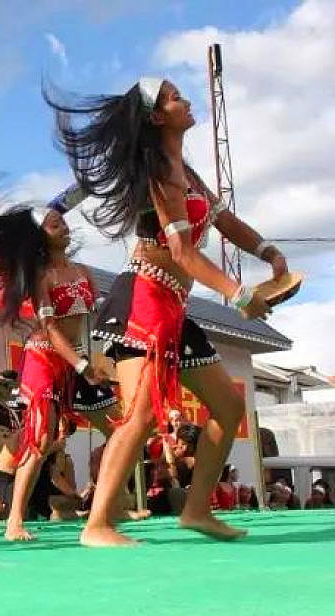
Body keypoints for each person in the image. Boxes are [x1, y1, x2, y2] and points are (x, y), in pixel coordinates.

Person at [46, 76, 286, 546]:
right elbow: (181, 252)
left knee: (228, 406)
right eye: (175, 97)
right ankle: (97, 524)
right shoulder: (157, 172)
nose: (186, 100)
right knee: (141, 417)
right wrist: (239, 295)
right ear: (157, 116)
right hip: (143, 297)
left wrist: (268, 251)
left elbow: (224, 220)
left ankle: (196, 511)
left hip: (173, 305)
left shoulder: (186, 173)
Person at [0, 171, 120, 541]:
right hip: (44, 360)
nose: (63, 227)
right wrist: (83, 365)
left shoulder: (83, 272)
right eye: (54, 224)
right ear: (41, 236)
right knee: (41, 439)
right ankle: (14, 519)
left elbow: (90, 323)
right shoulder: (41, 277)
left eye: (63, 222)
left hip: (73, 362)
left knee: (116, 430)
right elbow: (50, 330)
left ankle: (112, 505)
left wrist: (94, 361)